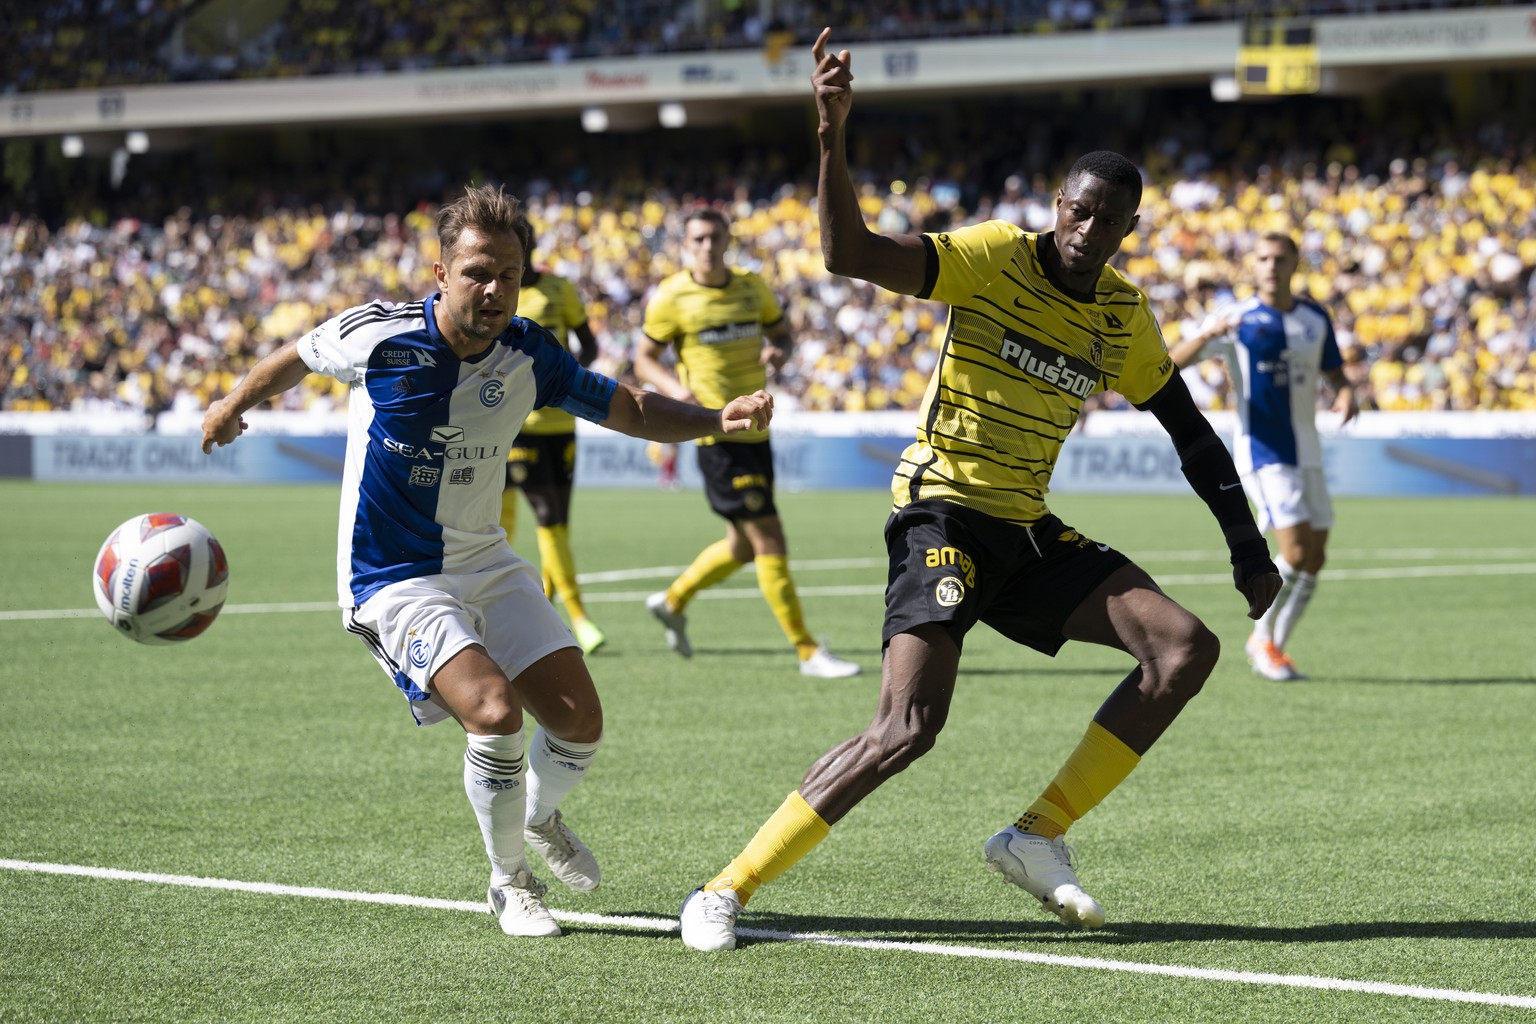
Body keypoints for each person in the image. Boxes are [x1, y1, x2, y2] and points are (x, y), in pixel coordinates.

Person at [677, 30, 1282, 952]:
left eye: (1107, 222)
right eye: (1078, 212)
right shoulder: (991, 256)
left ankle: (1036, 835)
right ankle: (726, 887)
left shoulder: (1122, 315)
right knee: (907, 727)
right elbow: (848, 253)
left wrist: (1247, 547)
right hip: (943, 512)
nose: (1087, 232)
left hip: (1026, 528)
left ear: (1127, 231)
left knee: (1182, 649)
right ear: (1056, 205)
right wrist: (832, 136)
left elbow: (1191, 431)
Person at [201, 183, 772, 939]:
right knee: (495, 713)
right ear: (441, 273)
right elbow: (295, 356)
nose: (495, 288)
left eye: (509, 272)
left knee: (580, 721)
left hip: (485, 560)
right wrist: (233, 401)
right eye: (477, 271)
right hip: (393, 577)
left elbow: (628, 406)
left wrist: (713, 420)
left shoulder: (530, 351)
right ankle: (510, 883)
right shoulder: (382, 336)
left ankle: (533, 817)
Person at [633, 206, 860, 680]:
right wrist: (675, 391)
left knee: (741, 544)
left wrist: (780, 349)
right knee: (769, 536)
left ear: (728, 239)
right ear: (685, 245)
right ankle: (807, 650)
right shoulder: (672, 297)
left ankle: (672, 601)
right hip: (715, 431)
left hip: (759, 426)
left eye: (715, 237)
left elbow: (783, 334)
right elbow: (644, 360)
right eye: (698, 239)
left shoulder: (752, 288)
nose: (707, 246)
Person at [1166, 232, 1359, 681]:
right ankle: (1262, 641)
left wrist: (1347, 391)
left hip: (1308, 452)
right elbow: (1172, 362)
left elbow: (1334, 370)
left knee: (1315, 556)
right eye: (1263, 258)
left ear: (1295, 264)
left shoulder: (1314, 318)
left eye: (1280, 258)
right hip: (1264, 453)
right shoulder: (1235, 318)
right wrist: (1205, 336)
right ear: (1252, 266)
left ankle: (1275, 645)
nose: (1271, 265)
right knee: (1293, 548)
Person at [500, 250, 607, 656]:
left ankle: (545, 615)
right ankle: (578, 617)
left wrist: (565, 382)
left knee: (558, 521)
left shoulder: (560, 289)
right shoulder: (496, 295)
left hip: (561, 424)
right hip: (517, 426)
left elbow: (589, 344)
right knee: (540, 514)